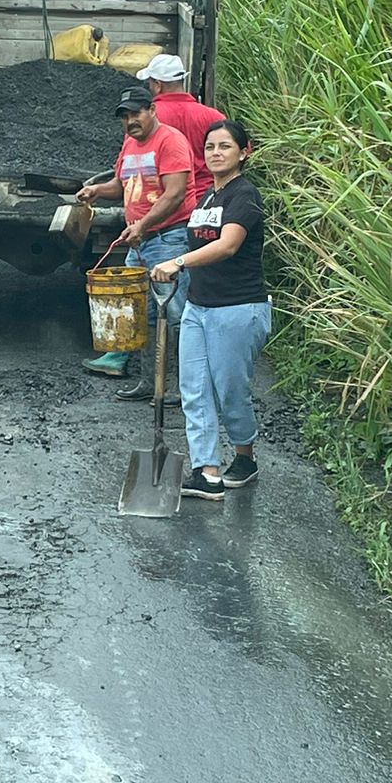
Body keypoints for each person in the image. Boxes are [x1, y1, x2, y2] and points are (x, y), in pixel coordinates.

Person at [149, 119, 271, 501]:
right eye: (210, 147)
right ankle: (207, 471)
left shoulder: (244, 195)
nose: (216, 153)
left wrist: (178, 262)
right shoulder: (207, 197)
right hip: (198, 308)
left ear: (244, 152)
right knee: (194, 390)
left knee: (230, 390)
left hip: (237, 308)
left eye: (225, 146)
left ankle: (245, 458)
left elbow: (228, 245)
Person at [77, 85, 195, 400]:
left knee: (175, 314)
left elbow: (175, 193)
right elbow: (123, 183)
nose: (130, 121)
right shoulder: (130, 144)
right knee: (144, 315)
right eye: (125, 117)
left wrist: (142, 224)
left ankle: (183, 390)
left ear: (152, 110)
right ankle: (151, 384)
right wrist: (97, 191)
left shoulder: (171, 141)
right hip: (141, 241)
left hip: (169, 238)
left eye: (136, 114)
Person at [136, 53, 222, 203]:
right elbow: (240, 151)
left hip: (161, 204)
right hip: (206, 201)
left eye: (150, 83)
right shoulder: (214, 117)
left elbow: (134, 160)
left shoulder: (148, 118)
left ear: (158, 85)